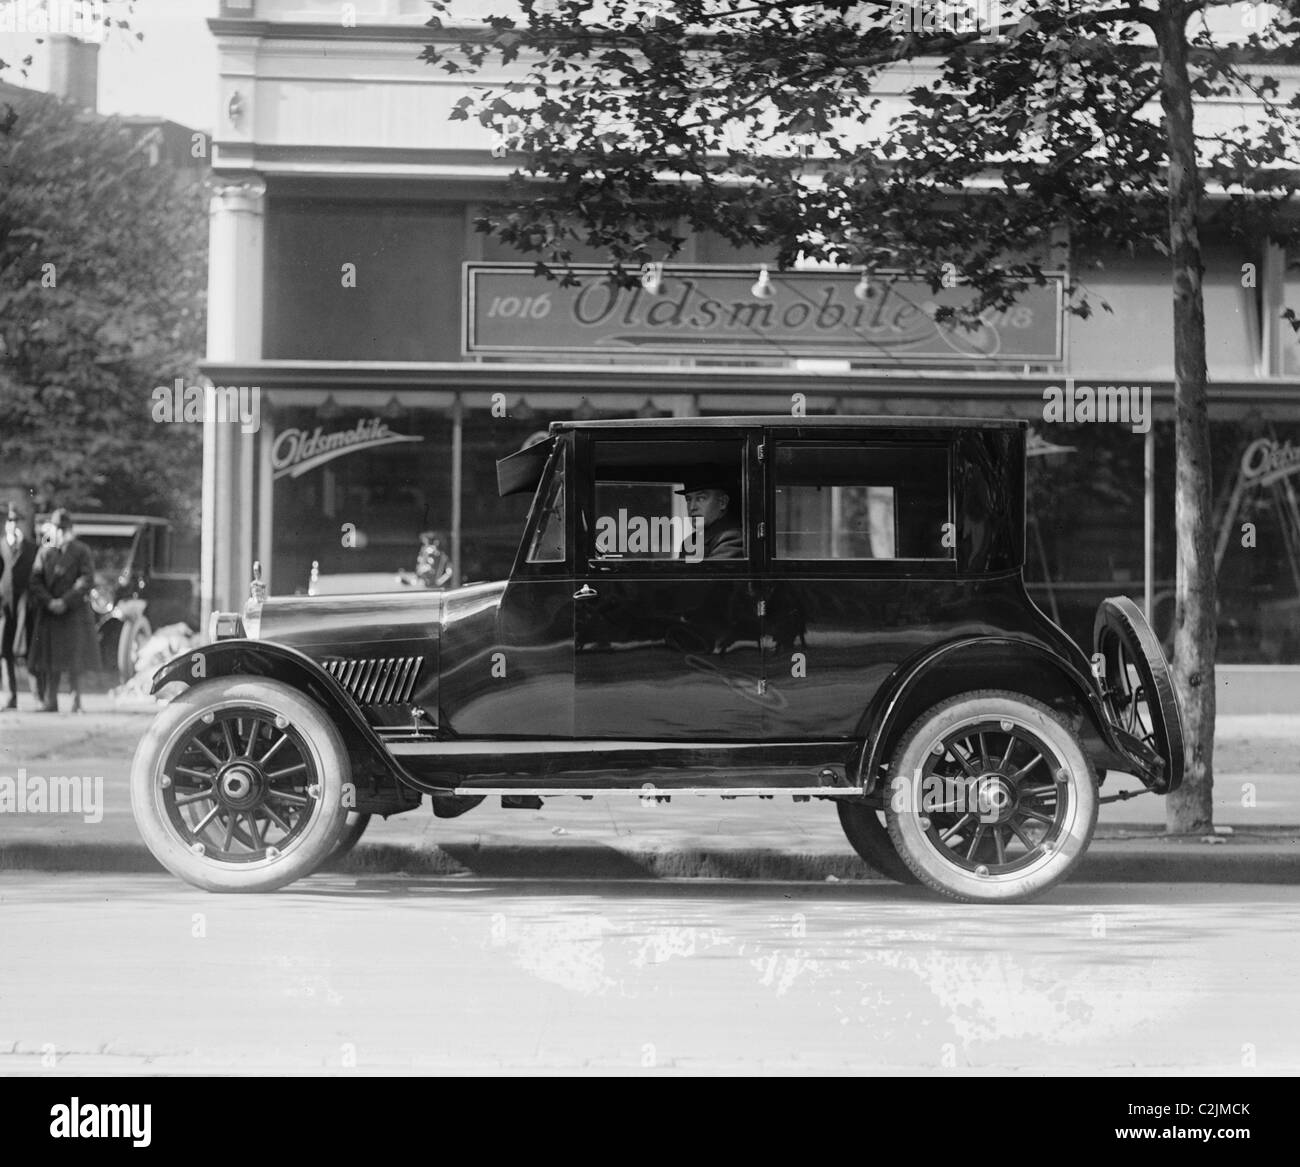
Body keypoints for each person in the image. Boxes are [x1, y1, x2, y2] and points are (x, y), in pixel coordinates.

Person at [26, 509, 100, 714]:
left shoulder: (81, 550)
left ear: (69, 530)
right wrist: (49, 602)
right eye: (56, 528)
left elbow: (86, 579)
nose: (58, 532)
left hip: (73, 612)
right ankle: (51, 701)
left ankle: (76, 701)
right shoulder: (45, 551)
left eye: (62, 528)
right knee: (50, 660)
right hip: (50, 613)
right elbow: (35, 580)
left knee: (74, 659)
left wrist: (65, 601)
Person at [0, 502, 37, 711]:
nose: (12, 525)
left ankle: (38, 696)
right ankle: (10, 696)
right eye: (9, 521)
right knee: (5, 652)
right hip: (4, 608)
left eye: (16, 521)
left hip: (25, 607)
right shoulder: (1, 545)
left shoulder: (31, 548)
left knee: (27, 651)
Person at [676, 477, 745, 561]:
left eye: (701, 498)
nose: (692, 507)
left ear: (723, 502)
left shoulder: (732, 538)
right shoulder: (690, 541)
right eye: (688, 499)